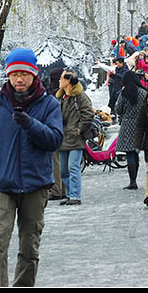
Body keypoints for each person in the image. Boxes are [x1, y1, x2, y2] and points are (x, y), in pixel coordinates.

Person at [0, 48, 63, 287]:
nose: (19, 79)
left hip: (36, 185)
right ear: (8, 76)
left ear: (34, 74)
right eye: (14, 74)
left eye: (24, 73)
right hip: (3, 185)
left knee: (29, 247)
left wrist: (30, 124)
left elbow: (54, 140)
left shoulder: (49, 105)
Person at [55, 70, 94, 206]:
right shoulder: (60, 97)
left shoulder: (80, 96)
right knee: (63, 170)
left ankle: (75, 195)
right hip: (62, 137)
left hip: (75, 138)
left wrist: (80, 128)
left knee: (73, 167)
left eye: (61, 78)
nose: (59, 81)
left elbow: (89, 112)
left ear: (68, 82)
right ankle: (69, 194)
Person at [114, 70, 148, 190]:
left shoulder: (124, 93)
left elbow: (118, 109)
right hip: (140, 124)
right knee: (136, 150)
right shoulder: (144, 93)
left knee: (129, 153)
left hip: (127, 124)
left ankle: (132, 181)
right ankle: (135, 179)